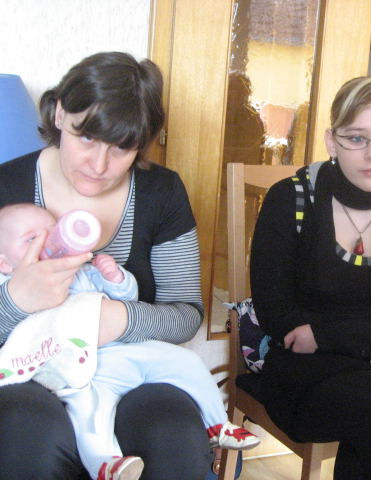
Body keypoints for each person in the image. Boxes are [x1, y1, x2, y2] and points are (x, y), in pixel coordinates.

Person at [0, 51, 213, 480]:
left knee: (174, 436)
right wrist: (15, 301)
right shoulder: (6, 187)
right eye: (86, 139)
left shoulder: (162, 193)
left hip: (129, 370)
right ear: (60, 113)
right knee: (28, 435)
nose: (99, 166)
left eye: (122, 148)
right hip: (31, 375)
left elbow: (186, 315)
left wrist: (118, 319)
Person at [249, 76, 371, 479]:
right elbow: (277, 316)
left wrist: (325, 336)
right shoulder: (291, 199)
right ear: (332, 141)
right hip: (303, 374)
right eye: (356, 138)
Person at [0, 203, 259, 480]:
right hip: (79, 370)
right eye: (31, 239)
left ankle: (218, 424)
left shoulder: (82, 271)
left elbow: (128, 297)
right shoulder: (7, 281)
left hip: (119, 351)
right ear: (3, 263)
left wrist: (115, 276)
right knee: (90, 413)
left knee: (186, 362)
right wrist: (16, 297)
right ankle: (105, 463)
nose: (49, 243)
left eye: (53, 232)